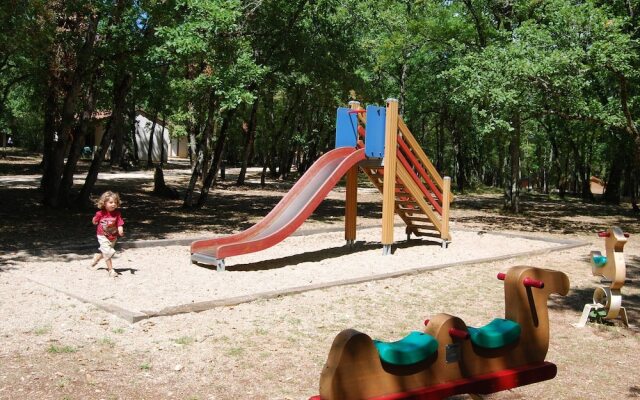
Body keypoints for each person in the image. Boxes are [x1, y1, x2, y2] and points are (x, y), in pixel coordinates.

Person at [89, 191, 125, 277]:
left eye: (115, 202)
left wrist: (120, 230)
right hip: (102, 235)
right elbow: (94, 221)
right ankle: (111, 270)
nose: (113, 204)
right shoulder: (100, 213)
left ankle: (97, 258)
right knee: (108, 252)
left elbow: (120, 223)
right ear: (104, 203)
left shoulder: (117, 214)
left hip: (113, 236)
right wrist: (94, 220)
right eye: (111, 202)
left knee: (105, 252)